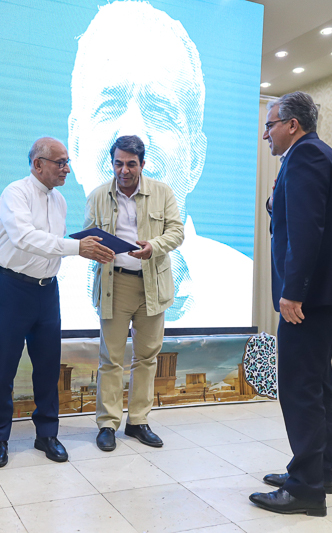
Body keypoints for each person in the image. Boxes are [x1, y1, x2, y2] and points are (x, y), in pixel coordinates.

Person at [60, 0, 253, 330]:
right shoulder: (43, 298)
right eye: (110, 105)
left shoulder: (240, 290)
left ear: (196, 160)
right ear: (76, 144)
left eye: (160, 111)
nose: (132, 134)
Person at [249, 92, 332, 516]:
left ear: (292, 124)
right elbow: (303, 215)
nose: (266, 134)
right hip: (325, 293)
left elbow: (307, 230)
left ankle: (306, 489)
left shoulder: (306, 157)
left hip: (310, 297)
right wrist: (274, 202)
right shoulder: (314, 155)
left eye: (270, 125)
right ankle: (319, 473)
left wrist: (293, 291)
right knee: (316, 384)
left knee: (299, 387)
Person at [0, 137, 115, 468]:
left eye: (67, 162)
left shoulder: (60, 201)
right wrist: (77, 248)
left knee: (48, 367)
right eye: (60, 162)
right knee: (3, 367)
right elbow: (24, 238)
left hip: (47, 291)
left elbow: (53, 245)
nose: (66, 168)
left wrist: (87, 246)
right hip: (11, 288)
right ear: (38, 164)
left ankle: (47, 434)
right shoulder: (15, 193)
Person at [84, 135, 184, 452]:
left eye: (130, 164)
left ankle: (138, 421)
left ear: (142, 164)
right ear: (112, 163)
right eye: (118, 163)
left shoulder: (162, 192)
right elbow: (88, 238)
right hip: (115, 285)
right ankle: (107, 424)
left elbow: (176, 232)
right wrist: (94, 249)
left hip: (152, 283)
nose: (123, 170)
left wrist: (154, 246)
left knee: (147, 357)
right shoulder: (98, 196)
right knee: (110, 358)